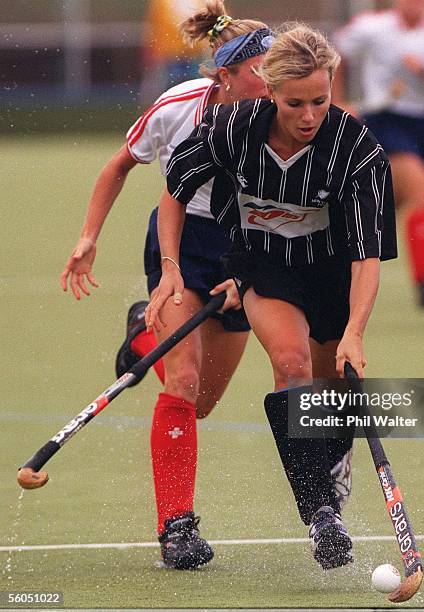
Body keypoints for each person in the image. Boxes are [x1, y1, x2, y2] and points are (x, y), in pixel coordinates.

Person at [145, 23, 397, 570]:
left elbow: (365, 258)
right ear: (269, 89)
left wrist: (354, 331)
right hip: (265, 268)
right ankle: (321, 518)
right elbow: (174, 193)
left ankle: (333, 465)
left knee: (331, 397)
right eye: (295, 103)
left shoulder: (357, 150)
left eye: (320, 101)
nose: (309, 116)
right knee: (290, 362)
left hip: (331, 273)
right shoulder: (230, 128)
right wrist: (168, 270)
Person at [60, 0, 273, 570]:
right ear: (226, 72)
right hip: (181, 244)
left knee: (200, 402)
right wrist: (88, 237)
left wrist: (258, 263)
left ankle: (139, 341)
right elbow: (118, 166)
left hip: (250, 248)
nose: (275, 79)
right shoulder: (176, 107)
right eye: (263, 68)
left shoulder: (288, 114)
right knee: (180, 381)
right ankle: (176, 527)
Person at [332, 0, 424, 307]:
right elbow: (334, 54)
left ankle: (339, 249)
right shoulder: (372, 27)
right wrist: (336, 101)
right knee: (421, 189)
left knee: (387, 203)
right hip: (387, 120)